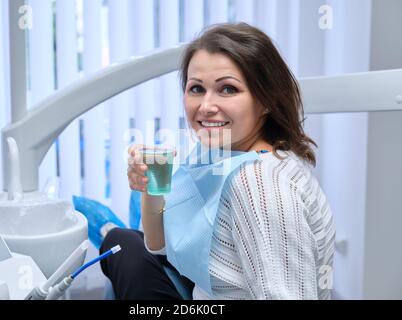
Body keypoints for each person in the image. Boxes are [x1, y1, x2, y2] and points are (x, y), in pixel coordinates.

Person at [99, 22, 335, 300]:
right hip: (205, 288)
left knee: (119, 247)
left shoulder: (259, 184)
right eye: (196, 89)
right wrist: (153, 185)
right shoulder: (219, 151)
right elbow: (159, 244)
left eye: (227, 89)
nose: (207, 106)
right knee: (120, 241)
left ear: (267, 99)